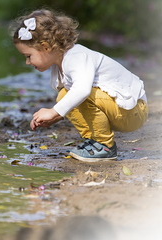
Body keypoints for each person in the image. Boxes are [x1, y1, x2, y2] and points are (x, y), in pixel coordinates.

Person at [11, 9, 148, 162]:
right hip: (120, 109)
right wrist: (55, 117)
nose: (27, 62)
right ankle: (95, 142)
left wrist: (53, 111)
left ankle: (105, 146)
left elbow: (82, 90)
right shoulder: (60, 66)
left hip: (135, 110)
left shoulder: (76, 56)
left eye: (28, 56)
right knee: (64, 95)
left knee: (82, 93)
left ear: (45, 47)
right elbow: (71, 99)